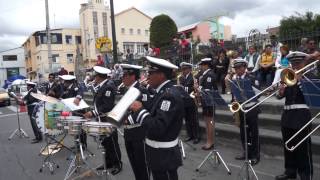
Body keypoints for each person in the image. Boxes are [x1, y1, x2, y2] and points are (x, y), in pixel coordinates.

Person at [129, 56, 183, 180]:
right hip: (158, 154)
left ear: (161, 75)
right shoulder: (161, 92)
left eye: (151, 73)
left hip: (164, 156)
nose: (147, 77)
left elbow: (157, 128)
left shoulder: (168, 95)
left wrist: (139, 110)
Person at [275, 52, 313, 180]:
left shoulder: (310, 76)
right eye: (293, 63)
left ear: (304, 63)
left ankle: (305, 175)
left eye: (298, 63)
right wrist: (280, 91)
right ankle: (290, 171)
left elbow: (311, 97)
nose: (295, 66)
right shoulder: (287, 76)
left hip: (302, 115)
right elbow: (279, 96)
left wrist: (301, 79)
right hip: (287, 114)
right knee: (288, 145)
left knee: (303, 148)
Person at [83, 66, 122, 175]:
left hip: (108, 119)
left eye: (95, 76)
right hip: (102, 119)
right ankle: (108, 162)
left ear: (99, 77)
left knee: (112, 143)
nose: (93, 78)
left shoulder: (108, 87)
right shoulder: (102, 86)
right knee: (105, 142)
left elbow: (107, 106)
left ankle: (117, 164)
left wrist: (92, 113)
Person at [120, 63, 152, 180]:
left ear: (132, 76)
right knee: (134, 165)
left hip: (140, 133)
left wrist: (127, 119)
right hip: (129, 133)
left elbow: (148, 110)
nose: (122, 78)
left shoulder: (141, 91)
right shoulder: (127, 90)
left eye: (125, 75)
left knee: (143, 166)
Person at [231, 59, 260, 165]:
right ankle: (246, 153)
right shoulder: (234, 79)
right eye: (236, 68)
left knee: (253, 133)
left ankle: (255, 156)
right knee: (243, 133)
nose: (237, 70)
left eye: (239, 68)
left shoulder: (251, 77)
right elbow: (233, 96)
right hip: (241, 109)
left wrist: (247, 89)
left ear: (244, 67)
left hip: (251, 108)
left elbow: (259, 93)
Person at [196, 58, 218, 150]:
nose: (200, 67)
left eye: (202, 65)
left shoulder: (210, 75)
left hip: (209, 102)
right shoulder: (204, 75)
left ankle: (210, 142)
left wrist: (198, 89)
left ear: (206, 65)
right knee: (207, 121)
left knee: (210, 122)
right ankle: (209, 141)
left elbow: (208, 90)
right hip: (206, 102)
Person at [178, 62, 200, 144]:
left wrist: (184, 88)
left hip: (192, 100)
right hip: (184, 101)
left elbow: (194, 88)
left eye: (185, 69)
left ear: (189, 69)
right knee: (187, 119)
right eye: (182, 69)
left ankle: (196, 136)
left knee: (193, 119)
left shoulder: (193, 77)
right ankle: (190, 135)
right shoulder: (181, 78)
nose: (183, 71)